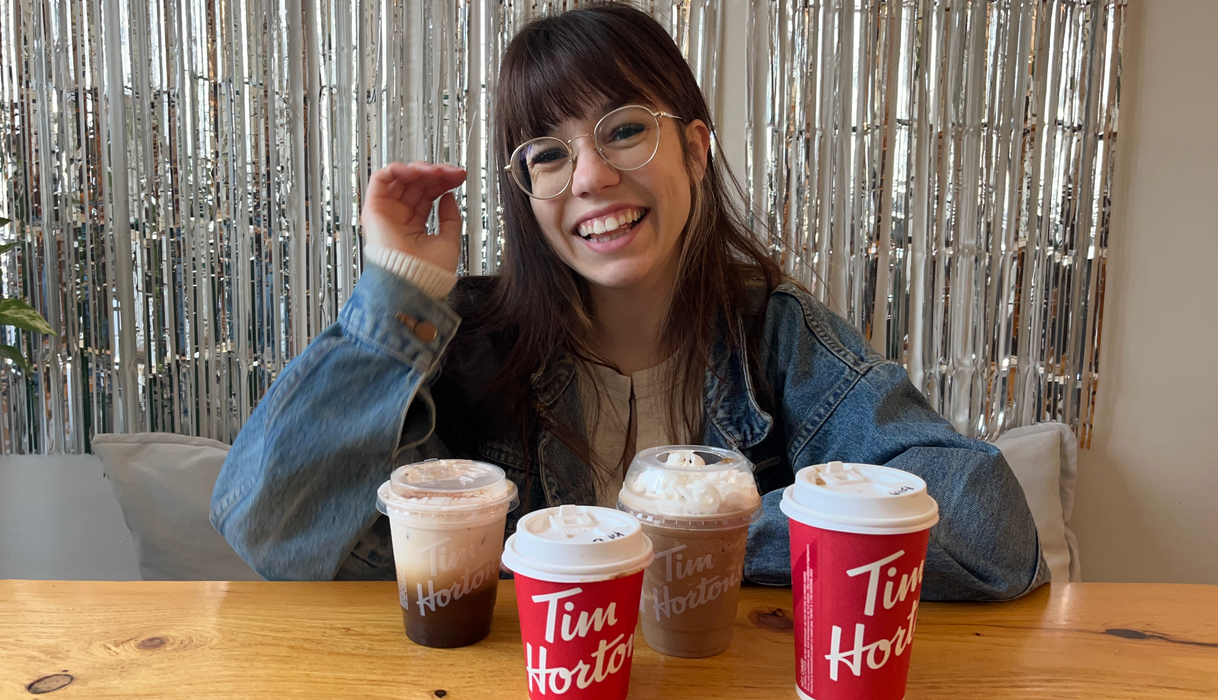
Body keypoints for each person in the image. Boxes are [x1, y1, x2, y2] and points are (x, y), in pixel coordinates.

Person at [210, 2, 1047, 600]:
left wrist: (673, 543)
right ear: (525, 194)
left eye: (622, 129)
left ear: (691, 149)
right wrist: (399, 292)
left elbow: (987, 531)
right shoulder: (465, 347)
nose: (590, 177)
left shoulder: (778, 338)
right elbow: (270, 521)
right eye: (547, 153)